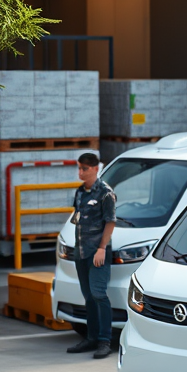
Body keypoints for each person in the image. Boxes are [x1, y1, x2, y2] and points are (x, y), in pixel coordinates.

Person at [66, 152, 117, 359]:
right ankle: (92, 337)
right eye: (79, 168)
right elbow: (77, 219)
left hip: (98, 252)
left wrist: (102, 248)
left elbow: (110, 222)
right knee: (88, 297)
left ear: (96, 169)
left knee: (99, 294)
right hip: (81, 252)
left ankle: (105, 340)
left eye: (85, 168)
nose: (81, 172)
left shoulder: (105, 193)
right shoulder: (79, 193)